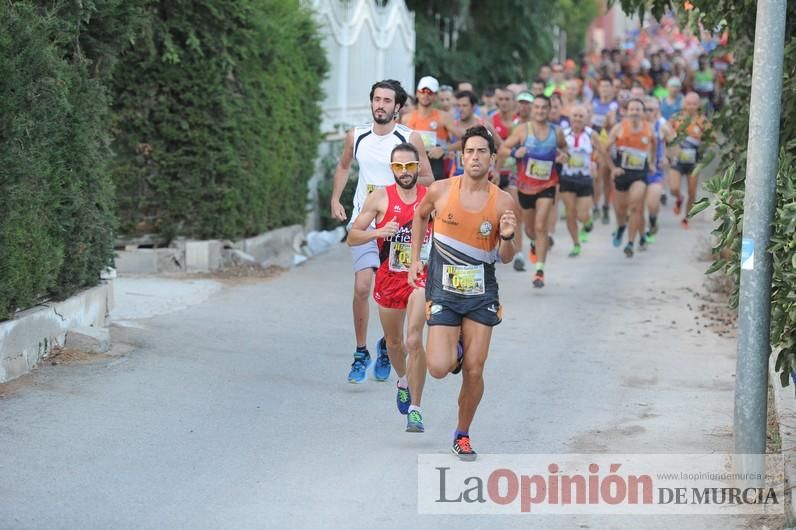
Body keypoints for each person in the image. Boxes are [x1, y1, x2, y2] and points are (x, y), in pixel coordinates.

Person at [408, 125, 518, 461]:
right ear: (462, 156)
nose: (474, 157)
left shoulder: (503, 201)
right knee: (439, 368)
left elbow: (507, 256)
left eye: (481, 151)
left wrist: (509, 237)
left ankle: (462, 433)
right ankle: (453, 346)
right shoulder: (440, 190)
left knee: (474, 368)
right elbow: (419, 215)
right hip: (442, 290)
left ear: (492, 158)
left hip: (481, 293)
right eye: (469, 151)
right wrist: (415, 258)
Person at [331, 79, 433, 383]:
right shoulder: (357, 135)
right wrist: (336, 198)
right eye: (377, 99)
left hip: (401, 227)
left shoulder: (409, 137)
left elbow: (427, 176)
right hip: (367, 222)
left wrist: (400, 187)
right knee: (362, 287)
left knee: (399, 293)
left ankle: (389, 344)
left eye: (387, 101)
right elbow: (343, 165)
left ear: (397, 107)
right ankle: (361, 351)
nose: (381, 105)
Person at [347, 143, 432, 432]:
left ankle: (416, 410)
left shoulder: (430, 198)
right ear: (392, 168)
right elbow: (353, 236)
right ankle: (403, 380)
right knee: (394, 343)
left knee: (413, 340)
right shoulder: (380, 198)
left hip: (419, 278)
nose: (405, 172)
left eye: (410, 166)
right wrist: (379, 232)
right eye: (399, 167)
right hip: (388, 279)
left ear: (418, 167)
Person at [496, 95, 568, 287]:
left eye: (544, 107)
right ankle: (535, 244)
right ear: (533, 109)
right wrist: (514, 153)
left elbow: (565, 149)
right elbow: (503, 148)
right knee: (529, 230)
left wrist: (563, 156)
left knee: (540, 226)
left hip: (547, 185)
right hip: (525, 187)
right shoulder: (522, 130)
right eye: (537, 107)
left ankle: (539, 270)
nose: (540, 111)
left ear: (549, 109)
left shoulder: (557, 132)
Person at [605, 98, 657, 257]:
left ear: (643, 113)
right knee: (621, 210)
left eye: (638, 109)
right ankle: (621, 227)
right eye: (632, 109)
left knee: (635, 207)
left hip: (639, 174)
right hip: (622, 173)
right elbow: (604, 149)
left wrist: (652, 162)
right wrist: (613, 168)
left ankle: (630, 242)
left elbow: (654, 145)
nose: (635, 112)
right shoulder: (619, 128)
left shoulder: (649, 129)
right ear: (627, 112)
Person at [559, 105, 605, 257]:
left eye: (581, 116)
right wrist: (559, 158)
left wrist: (595, 163)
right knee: (570, 212)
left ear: (586, 119)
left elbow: (601, 151)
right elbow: (555, 151)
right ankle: (576, 243)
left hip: (585, 178)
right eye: (575, 116)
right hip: (567, 177)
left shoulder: (592, 135)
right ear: (570, 118)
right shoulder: (562, 134)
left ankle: (587, 222)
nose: (577, 119)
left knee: (582, 214)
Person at [403, 76, 464, 180]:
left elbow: (468, 139)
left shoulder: (443, 117)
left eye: (430, 92)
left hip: (438, 171)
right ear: (417, 93)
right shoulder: (407, 118)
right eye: (422, 91)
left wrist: (444, 149)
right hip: (413, 172)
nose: (425, 95)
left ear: (436, 96)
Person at [669, 92, 712, 228]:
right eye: (688, 103)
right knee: (674, 188)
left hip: (694, 161)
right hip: (678, 159)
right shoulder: (676, 118)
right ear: (683, 104)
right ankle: (679, 198)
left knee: (692, 191)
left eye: (694, 104)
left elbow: (711, 140)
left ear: (698, 105)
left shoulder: (703, 121)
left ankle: (687, 218)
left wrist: (704, 147)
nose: (691, 106)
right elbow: (666, 134)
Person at [644, 96, 675, 241]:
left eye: (651, 109)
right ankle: (640, 236)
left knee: (652, 203)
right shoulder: (636, 124)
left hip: (655, 170)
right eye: (646, 109)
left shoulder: (662, 125)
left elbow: (675, 143)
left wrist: (668, 158)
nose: (648, 112)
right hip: (637, 170)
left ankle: (652, 220)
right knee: (636, 205)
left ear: (657, 109)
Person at [591, 77, 619, 225]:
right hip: (595, 147)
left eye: (608, 86)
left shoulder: (615, 106)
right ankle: (595, 205)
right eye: (602, 86)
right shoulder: (593, 104)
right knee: (596, 178)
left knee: (607, 179)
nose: (605, 89)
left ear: (612, 89)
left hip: (609, 146)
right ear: (599, 88)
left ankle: (606, 207)